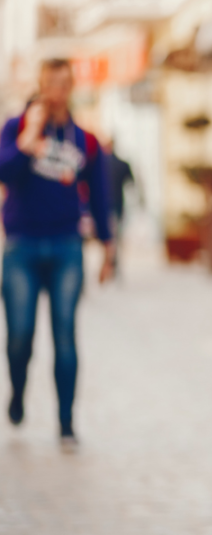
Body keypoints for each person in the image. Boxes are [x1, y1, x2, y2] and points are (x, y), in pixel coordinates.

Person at [0, 58, 115, 449]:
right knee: (20, 335)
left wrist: (108, 246)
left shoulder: (84, 140)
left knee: (65, 334)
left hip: (67, 245)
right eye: (51, 83)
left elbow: (99, 196)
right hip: (21, 246)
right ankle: (17, 392)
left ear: (72, 87)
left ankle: (66, 423)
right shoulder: (15, 128)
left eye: (65, 83)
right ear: (41, 84)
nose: (58, 91)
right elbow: (4, 171)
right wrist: (26, 142)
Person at [106, 141, 134, 277]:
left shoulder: (102, 164)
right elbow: (131, 183)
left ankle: (110, 264)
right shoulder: (123, 164)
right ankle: (113, 265)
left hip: (105, 206)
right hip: (118, 205)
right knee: (115, 238)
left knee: (107, 238)